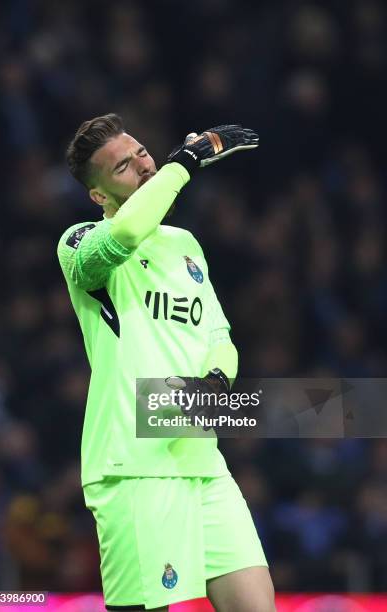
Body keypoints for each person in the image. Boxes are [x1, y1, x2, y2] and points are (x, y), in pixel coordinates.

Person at [57, 114, 275, 612]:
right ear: (99, 196)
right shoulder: (80, 244)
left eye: (141, 153)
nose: (142, 165)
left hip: (201, 460)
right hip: (135, 465)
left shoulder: (184, 245)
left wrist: (219, 379)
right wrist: (186, 163)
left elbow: (219, 333)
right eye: (122, 168)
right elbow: (127, 233)